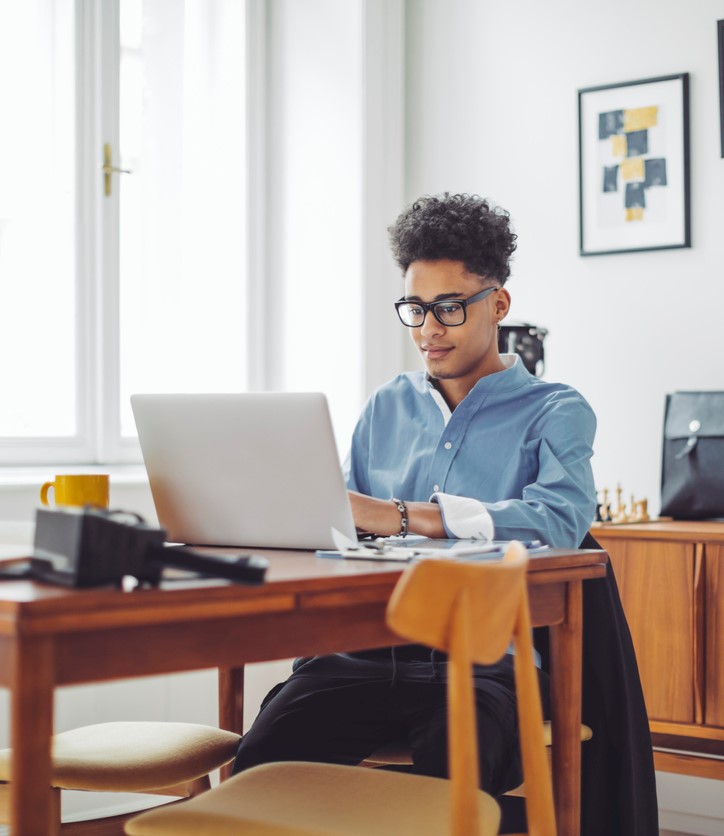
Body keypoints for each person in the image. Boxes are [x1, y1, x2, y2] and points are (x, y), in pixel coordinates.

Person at [232, 192, 597, 798]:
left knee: (451, 784)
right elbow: (339, 527)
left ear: (498, 303)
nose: (429, 329)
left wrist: (407, 516)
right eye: (416, 308)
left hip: (486, 666)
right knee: (261, 772)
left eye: (450, 308)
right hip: (362, 656)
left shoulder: (555, 410)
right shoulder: (385, 406)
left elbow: (558, 522)